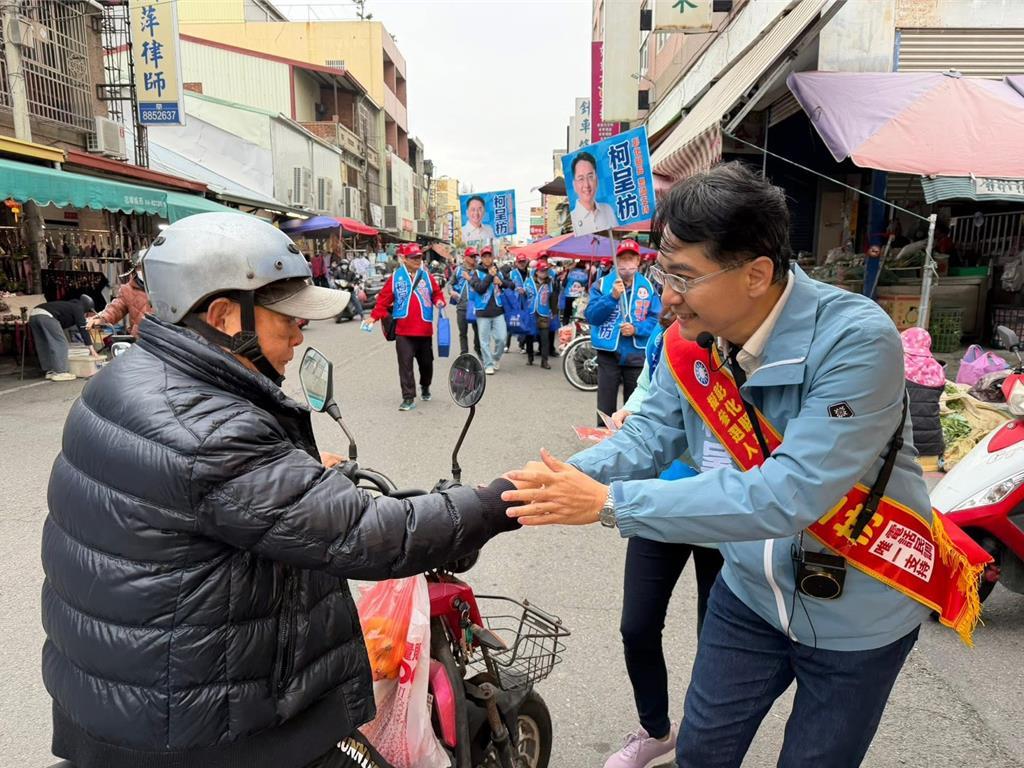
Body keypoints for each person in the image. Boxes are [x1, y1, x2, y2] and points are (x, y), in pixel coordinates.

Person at [500, 162, 988, 768]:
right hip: (749, 596)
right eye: (661, 271)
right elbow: (653, 431)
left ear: (757, 273)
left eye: (682, 276)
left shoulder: (856, 339)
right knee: (701, 752)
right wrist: (547, 481)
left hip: (860, 611)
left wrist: (609, 505)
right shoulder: (693, 338)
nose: (667, 294)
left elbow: (791, 492)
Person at [40, 212, 525, 768]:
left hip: (116, 696)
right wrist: (494, 503)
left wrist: (299, 468)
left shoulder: (127, 379)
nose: (299, 335)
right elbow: (367, 535)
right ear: (223, 316)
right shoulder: (213, 433)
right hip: (202, 725)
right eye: (285, 320)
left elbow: (199, 496)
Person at [601, 307, 725, 768]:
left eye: (684, 275)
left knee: (715, 639)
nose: (670, 294)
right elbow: (650, 400)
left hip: (728, 510)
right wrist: (626, 417)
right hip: (662, 501)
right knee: (636, 626)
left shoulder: (763, 343)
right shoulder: (671, 337)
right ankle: (656, 730)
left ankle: (700, 736)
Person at [586, 240, 661, 425]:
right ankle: (603, 444)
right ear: (615, 261)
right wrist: (611, 297)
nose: (626, 264)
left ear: (638, 261)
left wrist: (636, 328)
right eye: (622, 259)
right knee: (605, 405)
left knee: (634, 409)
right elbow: (592, 317)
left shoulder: (647, 287)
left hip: (636, 355)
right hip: (608, 353)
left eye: (631, 259)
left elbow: (657, 319)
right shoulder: (601, 284)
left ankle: (629, 445)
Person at [367, 243, 444, 410]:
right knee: (405, 366)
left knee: (426, 365)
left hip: (424, 331)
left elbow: (437, 292)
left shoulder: (427, 276)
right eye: (413, 257)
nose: (417, 260)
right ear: (404, 259)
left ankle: (425, 385)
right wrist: (373, 318)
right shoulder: (396, 277)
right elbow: (383, 300)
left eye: (419, 257)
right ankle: (408, 397)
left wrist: (439, 301)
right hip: (403, 331)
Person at [29, 294, 100, 381]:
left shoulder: (69, 306)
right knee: (60, 342)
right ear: (87, 309)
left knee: (43, 343)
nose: (87, 317)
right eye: (88, 314)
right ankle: (61, 372)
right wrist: (92, 349)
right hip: (46, 316)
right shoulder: (78, 308)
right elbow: (83, 329)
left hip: (34, 314)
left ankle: (50, 371)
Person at [86, 251, 152, 337]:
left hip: (166, 340)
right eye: (139, 267)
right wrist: (101, 318)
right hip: (140, 340)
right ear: (135, 269)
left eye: (146, 266)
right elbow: (116, 308)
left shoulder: (167, 287)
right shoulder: (128, 290)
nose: (142, 270)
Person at [470, 245, 507, 375]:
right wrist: (490, 276)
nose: (487, 258)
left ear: (493, 257)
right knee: (484, 340)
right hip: (482, 311)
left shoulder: (499, 271)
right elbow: (479, 288)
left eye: (489, 256)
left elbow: (510, 284)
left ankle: (496, 357)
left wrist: (501, 282)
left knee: (502, 338)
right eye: (484, 256)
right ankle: (488, 363)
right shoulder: (476, 272)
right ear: (481, 258)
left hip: (498, 310)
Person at [570, 151, 617, 234]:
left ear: (597, 180)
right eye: (581, 178)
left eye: (590, 177)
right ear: (574, 185)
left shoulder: (608, 210)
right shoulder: (572, 220)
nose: (586, 185)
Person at [524, 259, 559, 369]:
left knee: (545, 338)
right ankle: (530, 356)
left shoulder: (550, 283)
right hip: (530, 313)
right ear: (537, 271)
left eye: (546, 271)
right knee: (529, 336)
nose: (544, 273)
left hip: (544, 313)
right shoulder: (528, 281)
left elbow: (553, 298)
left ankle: (544, 361)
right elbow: (523, 297)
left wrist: (554, 312)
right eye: (542, 271)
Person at [450, 246, 482, 357]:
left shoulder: (479, 270)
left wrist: (470, 278)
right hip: (462, 306)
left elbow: (483, 285)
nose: (474, 258)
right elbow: (450, 283)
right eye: (472, 256)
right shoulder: (458, 270)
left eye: (475, 256)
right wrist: (451, 292)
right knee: (462, 332)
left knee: (477, 330)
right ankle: (464, 353)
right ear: (466, 257)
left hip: (476, 306)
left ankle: (478, 349)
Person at [560, 259, 590, 326]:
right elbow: (587, 285)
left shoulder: (570, 271)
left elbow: (564, 282)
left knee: (567, 311)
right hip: (579, 296)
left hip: (568, 294)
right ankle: (575, 327)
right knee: (577, 313)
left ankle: (566, 326)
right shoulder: (587, 273)